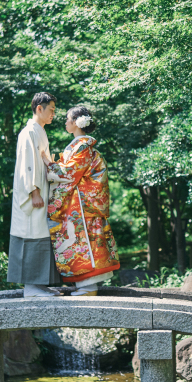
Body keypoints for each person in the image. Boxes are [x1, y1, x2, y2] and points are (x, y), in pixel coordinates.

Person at [42, 106, 120, 296]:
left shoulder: (82, 146)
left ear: (77, 122)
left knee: (82, 243)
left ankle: (88, 288)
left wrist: (49, 164)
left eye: (68, 119)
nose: (66, 122)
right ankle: (84, 287)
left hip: (82, 206)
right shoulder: (79, 146)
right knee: (78, 243)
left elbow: (69, 173)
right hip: (80, 204)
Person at [8, 92, 62, 298]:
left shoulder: (39, 131)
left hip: (41, 193)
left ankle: (39, 285)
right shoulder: (28, 132)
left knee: (41, 235)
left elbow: (42, 160)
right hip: (32, 197)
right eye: (51, 110)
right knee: (31, 235)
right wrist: (35, 192)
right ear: (39, 108)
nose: (53, 115)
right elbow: (27, 165)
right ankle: (30, 287)